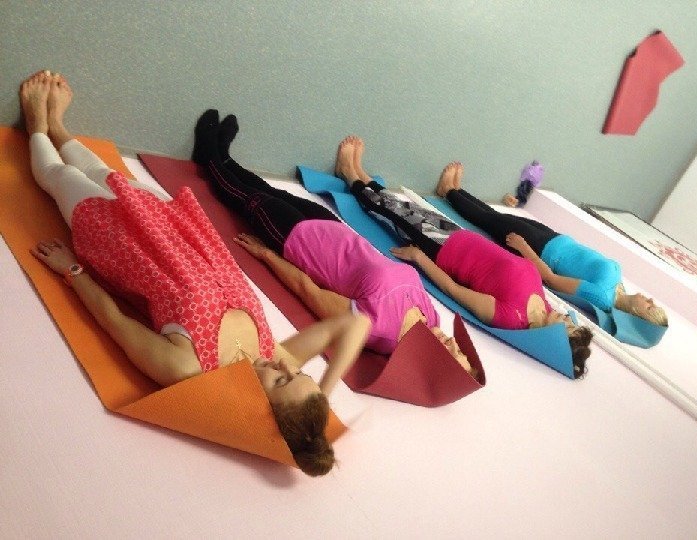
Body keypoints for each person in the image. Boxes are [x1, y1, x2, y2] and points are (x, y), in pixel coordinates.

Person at [21, 70, 371, 476]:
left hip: (121, 245)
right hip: (179, 230)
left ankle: (37, 125)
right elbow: (354, 324)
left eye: (280, 382)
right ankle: (60, 128)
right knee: (106, 172)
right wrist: (322, 392)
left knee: (62, 178)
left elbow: (115, 321)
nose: (284, 367)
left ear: (259, 408)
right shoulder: (271, 355)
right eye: (297, 373)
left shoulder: (188, 366)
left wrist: (72, 269)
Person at [191, 110, 475, 376]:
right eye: (461, 350)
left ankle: (209, 157)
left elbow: (309, 291)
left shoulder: (376, 330)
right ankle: (225, 157)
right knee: (268, 189)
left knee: (243, 195)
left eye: (451, 355)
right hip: (333, 230)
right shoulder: (432, 318)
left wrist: (267, 254)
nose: (453, 343)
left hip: (299, 242)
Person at [334, 136, 593, 377]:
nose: (566, 318)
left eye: (567, 326)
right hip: (463, 238)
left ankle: (348, 173)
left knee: (389, 212)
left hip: (442, 250)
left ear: (553, 338)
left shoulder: (510, 316)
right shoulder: (546, 307)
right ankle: (363, 177)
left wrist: (420, 257)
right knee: (405, 207)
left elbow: (454, 289)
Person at [434, 162, 668, 327]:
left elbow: (553, 280)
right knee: (498, 217)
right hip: (557, 240)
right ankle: (457, 191)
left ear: (636, 314)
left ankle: (448, 192)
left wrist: (524, 248)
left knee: (489, 221)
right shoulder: (619, 289)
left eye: (649, 307)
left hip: (541, 249)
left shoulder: (602, 297)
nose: (649, 300)